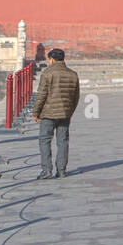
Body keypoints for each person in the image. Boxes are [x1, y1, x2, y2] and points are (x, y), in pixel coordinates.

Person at [31, 48, 80, 179]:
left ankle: (47, 170)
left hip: (48, 113)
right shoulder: (73, 74)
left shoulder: (47, 74)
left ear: (51, 59)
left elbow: (41, 95)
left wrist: (36, 113)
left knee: (44, 140)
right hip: (65, 113)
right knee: (63, 141)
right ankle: (62, 170)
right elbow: (76, 97)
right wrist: (70, 111)